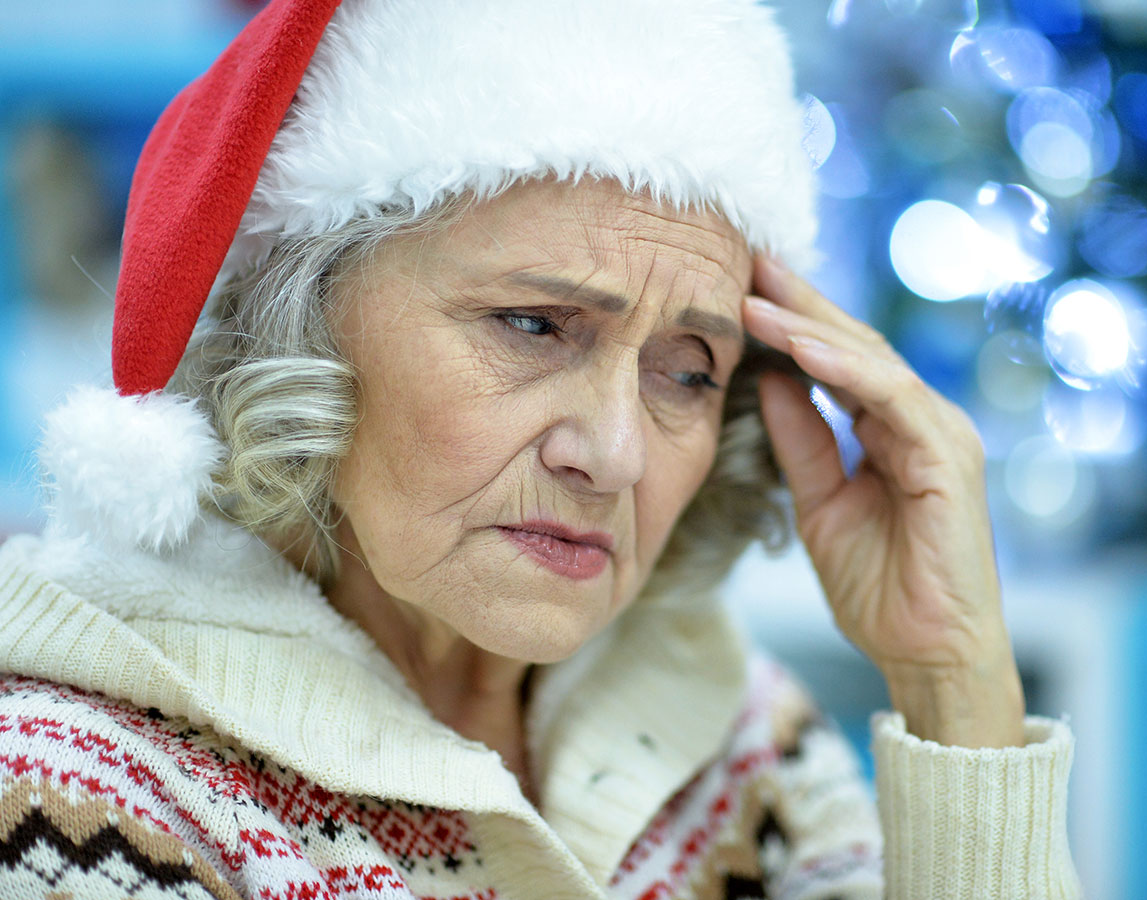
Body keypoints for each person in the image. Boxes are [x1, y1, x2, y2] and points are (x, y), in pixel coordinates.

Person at [0, 0, 1080, 897]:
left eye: (688, 369)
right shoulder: (69, 793)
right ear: (301, 326)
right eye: (531, 325)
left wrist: (953, 681)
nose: (612, 454)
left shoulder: (741, 735)